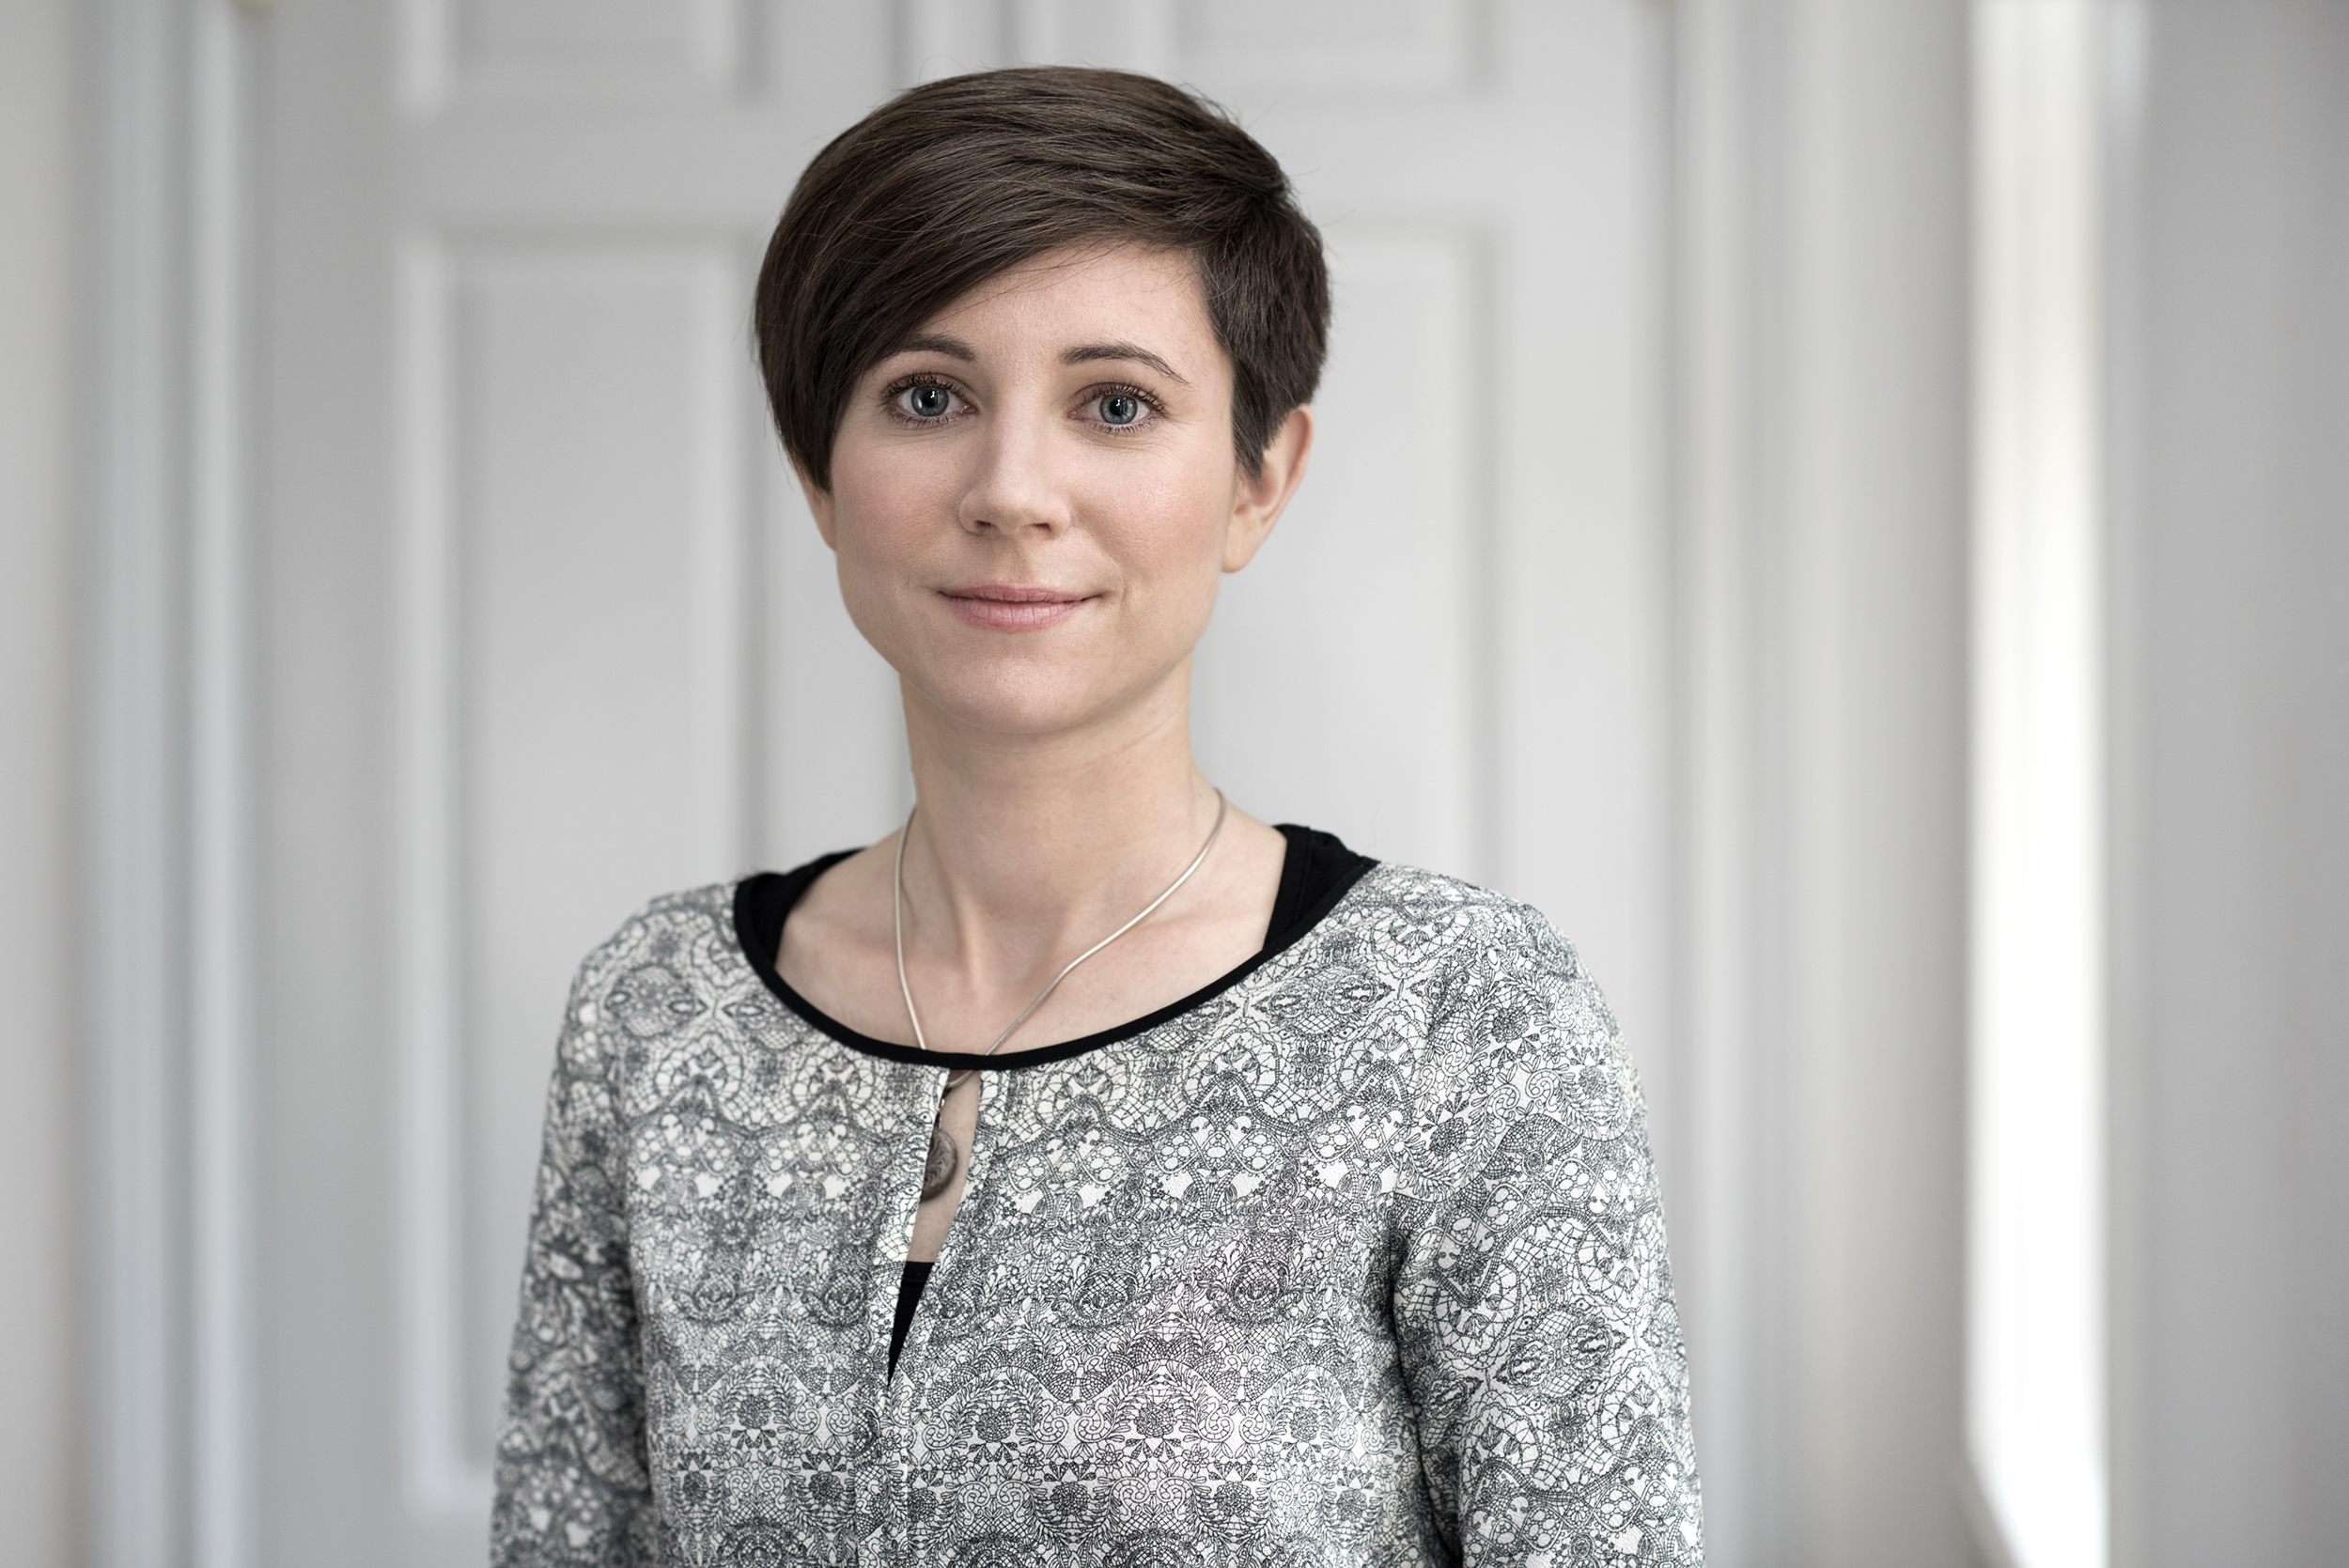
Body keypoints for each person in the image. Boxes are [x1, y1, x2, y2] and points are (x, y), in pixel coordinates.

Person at [490, 65, 1701, 1568]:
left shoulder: (1461, 1017)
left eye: (1115, 404)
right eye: (927, 397)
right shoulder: (654, 1012)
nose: (1013, 489)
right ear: (817, 470)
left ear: (1260, 478)